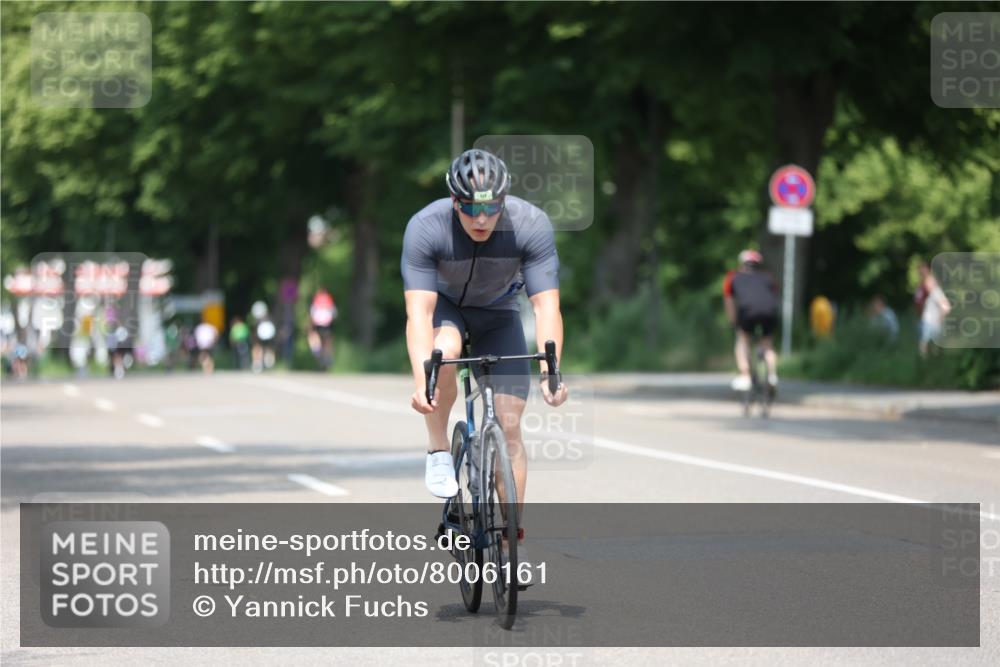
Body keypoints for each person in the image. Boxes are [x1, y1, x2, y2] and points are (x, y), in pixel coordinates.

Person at [401, 148, 568, 572]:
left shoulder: (530, 225)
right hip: (446, 310)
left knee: (510, 427)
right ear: (454, 202)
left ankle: (513, 544)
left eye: (491, 208)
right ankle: (439, 449)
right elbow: (419, 313)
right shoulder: (426, 226)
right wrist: (425, 379)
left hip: (498, 314)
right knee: (446, 355)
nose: (481, 218)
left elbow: (546, 307)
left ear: (504, 201)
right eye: (471, 208)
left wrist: (551, 372)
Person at [723, 249, 780, 391]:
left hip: (748, 311)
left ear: (742, 264)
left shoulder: (733, 277)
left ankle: (745, 375)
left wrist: (733, 321)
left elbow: (729, 301)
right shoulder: (768, 277)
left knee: (742, 340)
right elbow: (775, 295)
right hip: (769, 312)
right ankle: (772, 375)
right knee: (767, 344)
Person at [919, 270, 951, 357]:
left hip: (931, 323)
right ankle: (933, 362)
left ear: (933, 283)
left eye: (928, 283)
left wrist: (939, 319)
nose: (926, 285)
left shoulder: (935, 293)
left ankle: (926, 361)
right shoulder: (934, 293)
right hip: (931, 323)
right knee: (933, 344)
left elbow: (946, 308)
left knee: (924, 343)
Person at [308, 288, 338, 371]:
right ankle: (327, 357)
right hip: (327, 324)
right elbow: (334, 313)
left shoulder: (316, 299)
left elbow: (312, 313)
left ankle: (317, 353)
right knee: (327, 342)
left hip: (318, 324)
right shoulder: (329, 299)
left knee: (313, 337)